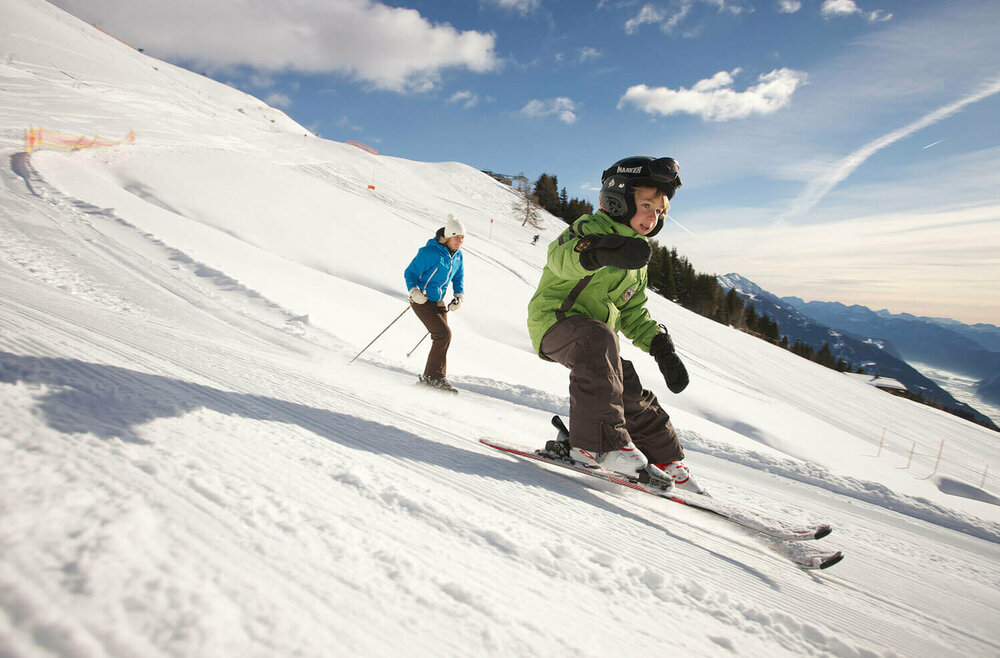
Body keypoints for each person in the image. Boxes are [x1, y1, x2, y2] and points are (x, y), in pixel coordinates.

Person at [526, 156, 700, 491]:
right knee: (598, 338)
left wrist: (662, 348)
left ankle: (664, 457)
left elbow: (634, 312)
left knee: (627, 384)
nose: (653, 217)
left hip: (596, 341)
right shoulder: (589, 231)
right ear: (618, 200)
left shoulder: (637, 260)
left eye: (660, 211)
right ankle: (596, 445)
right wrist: (597, 252)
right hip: (554, 322)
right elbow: (560, 259)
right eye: (646, 205)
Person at [405, 213, 466, 393]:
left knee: (442, 337)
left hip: (438, 301)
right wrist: (414, 291)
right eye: (456, 237)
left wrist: (458, 295)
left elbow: (458, 276)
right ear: (447, 236)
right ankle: (435, 378)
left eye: (462, 238)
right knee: (443, 335)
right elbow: (410, 273)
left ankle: (430, 377)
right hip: (421, 300)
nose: (460, 241)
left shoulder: (457, 256)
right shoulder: (428, 252)